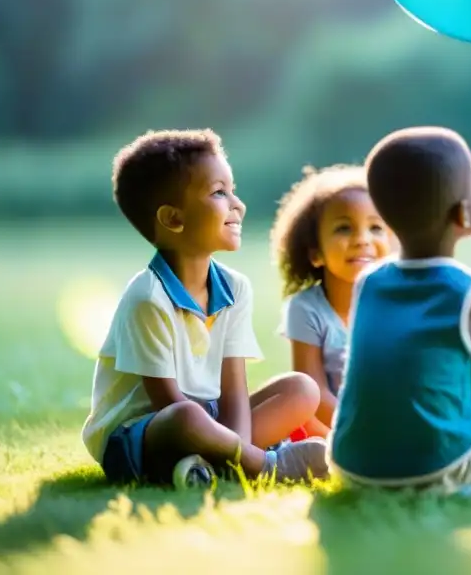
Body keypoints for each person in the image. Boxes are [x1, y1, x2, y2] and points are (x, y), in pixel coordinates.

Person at [81, 129, 329, 488]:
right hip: (145, 433)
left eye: (233, 190)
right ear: (173, 219)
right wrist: (245, 451)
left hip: (209, 420)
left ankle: (216, 466)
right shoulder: (148, 298)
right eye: (219, 193)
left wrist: (235, 445)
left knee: (302, 390)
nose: (237, 205)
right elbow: (167, 403)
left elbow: (234, 391)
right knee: (188, 418)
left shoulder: (235, 287)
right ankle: (269, 466)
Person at [328, 126, 471, 498]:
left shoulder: (368, 282)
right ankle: (463, 485)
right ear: (463, 214)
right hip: (430, 464)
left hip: (351, 465)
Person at [270, 164, 393, 440]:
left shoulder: (398, 304)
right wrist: (364, 433)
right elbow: (314, 393)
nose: (362, 240)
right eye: (344, 228)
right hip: (329, 426)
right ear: (315, 253)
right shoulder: (306, 308)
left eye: (375, 227)